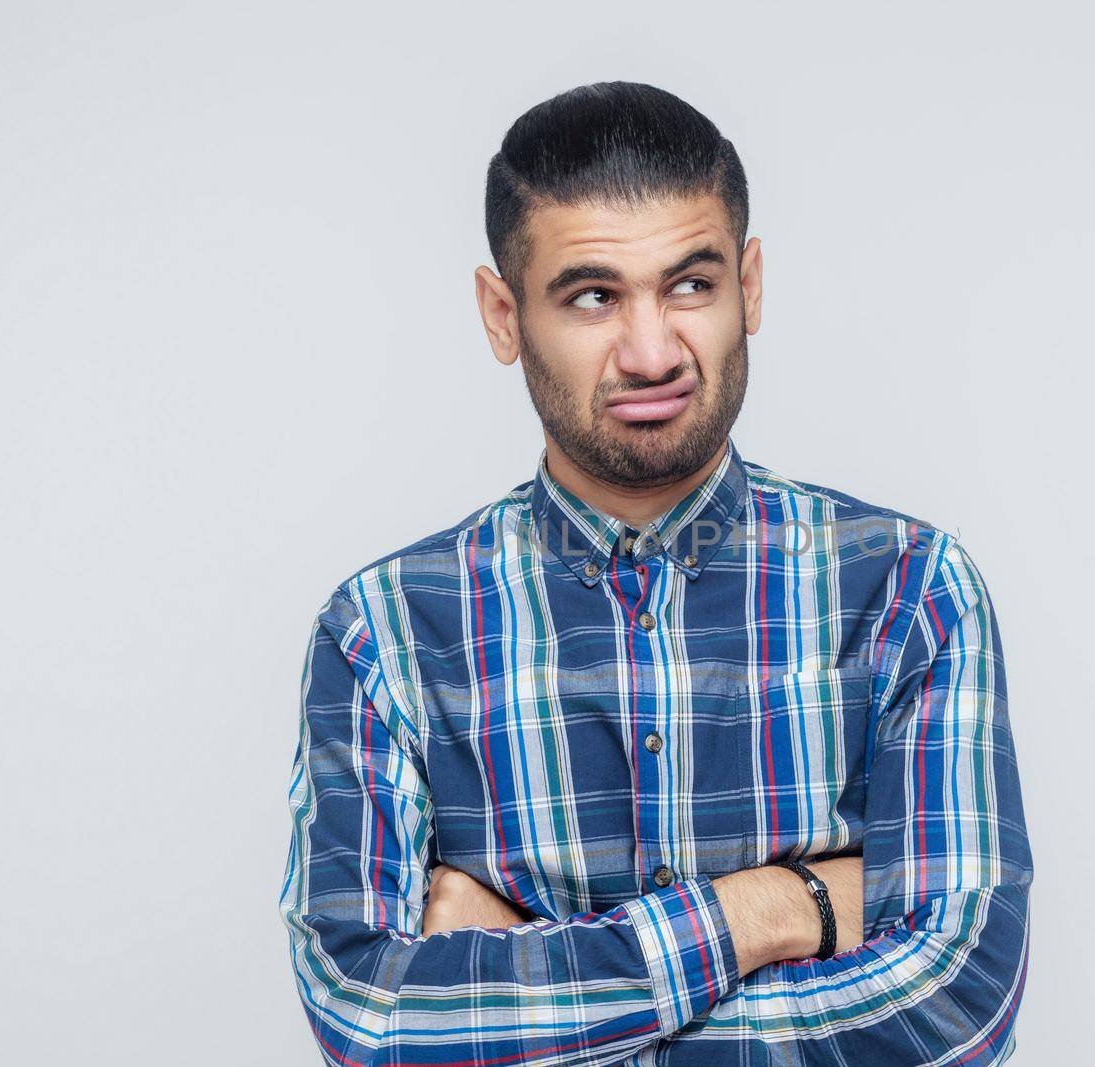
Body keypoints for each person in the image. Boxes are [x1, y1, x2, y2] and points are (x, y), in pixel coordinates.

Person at [279, 80, 1034, 1066]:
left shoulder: (906, 591)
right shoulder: (383, 631)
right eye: (592, 295)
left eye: (691, 284)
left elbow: (957, 1004)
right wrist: (775, 908)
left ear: (749, 286)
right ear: (502, 315)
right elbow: (369, 1018)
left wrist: (518, 972)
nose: (650, 351)